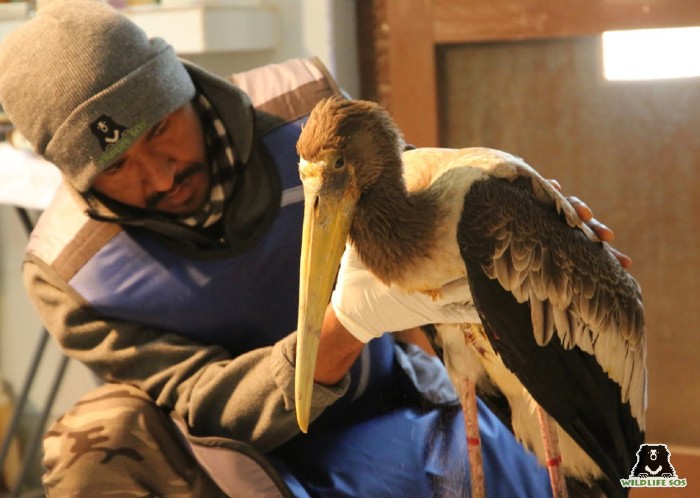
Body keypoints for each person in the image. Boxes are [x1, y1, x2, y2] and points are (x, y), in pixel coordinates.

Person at [0, 1, 630, 496]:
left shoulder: (309, 114)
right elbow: (196, 403)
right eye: (117, 168)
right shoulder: (68, 269)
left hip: (384, 399)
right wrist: (341, 330)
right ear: (77, 177)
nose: (160, 176)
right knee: (92, 437)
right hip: (231, 459)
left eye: (162, 130)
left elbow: (432, 224)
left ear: (182, 89)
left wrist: (541, 235)